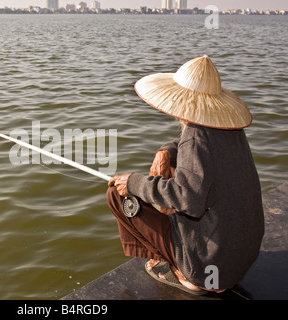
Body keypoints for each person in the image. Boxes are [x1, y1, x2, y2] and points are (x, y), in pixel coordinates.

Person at [107, 55, 265, 295]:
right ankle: (185, 259)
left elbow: (189, 200)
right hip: (238, 263)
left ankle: (184, 272)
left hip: (209, 265)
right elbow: (188, 147)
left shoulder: (195, 136)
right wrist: (165, 152)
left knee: (115, 195)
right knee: (172, 169)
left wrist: (135, 183)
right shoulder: (230, 130)